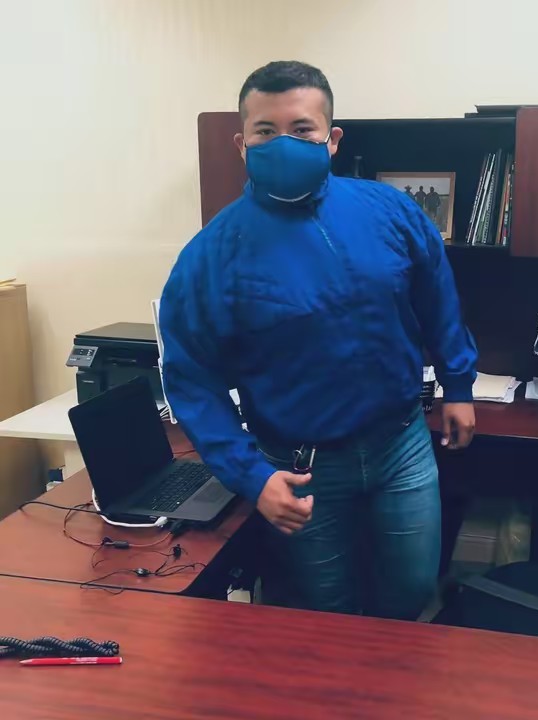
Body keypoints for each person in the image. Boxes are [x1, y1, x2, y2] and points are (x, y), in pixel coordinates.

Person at [160, 61, 477, 620]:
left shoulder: (390, 210)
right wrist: (252, 477)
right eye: (265, 130)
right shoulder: (211, 255)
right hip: (299, 467)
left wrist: (458, 384)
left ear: (332, 139)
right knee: (324, 614)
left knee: (412, 593)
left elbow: (437, 296)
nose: (284, 143)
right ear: (241, 144)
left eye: (302, 129)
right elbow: (191, 381)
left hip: (400, 444)